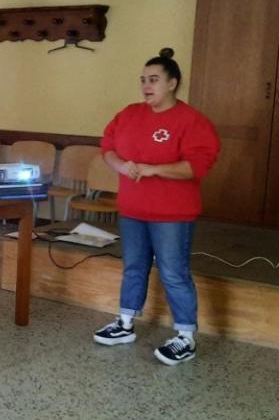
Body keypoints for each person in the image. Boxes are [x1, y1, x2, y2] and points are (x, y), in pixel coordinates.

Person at [92, 48, 221, 365]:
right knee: (133, 267)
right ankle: (124, 323)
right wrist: (121, 166)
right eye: (143, 81)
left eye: (154, 80)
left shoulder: (191, 120)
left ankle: (185, 336)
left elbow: (197, 166)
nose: (146, 86)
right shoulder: (129, 113)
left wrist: (154, 169)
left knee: (174, 273)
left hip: (171, 214)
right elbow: (107, 147)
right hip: (133, 209)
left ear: (172, 83)